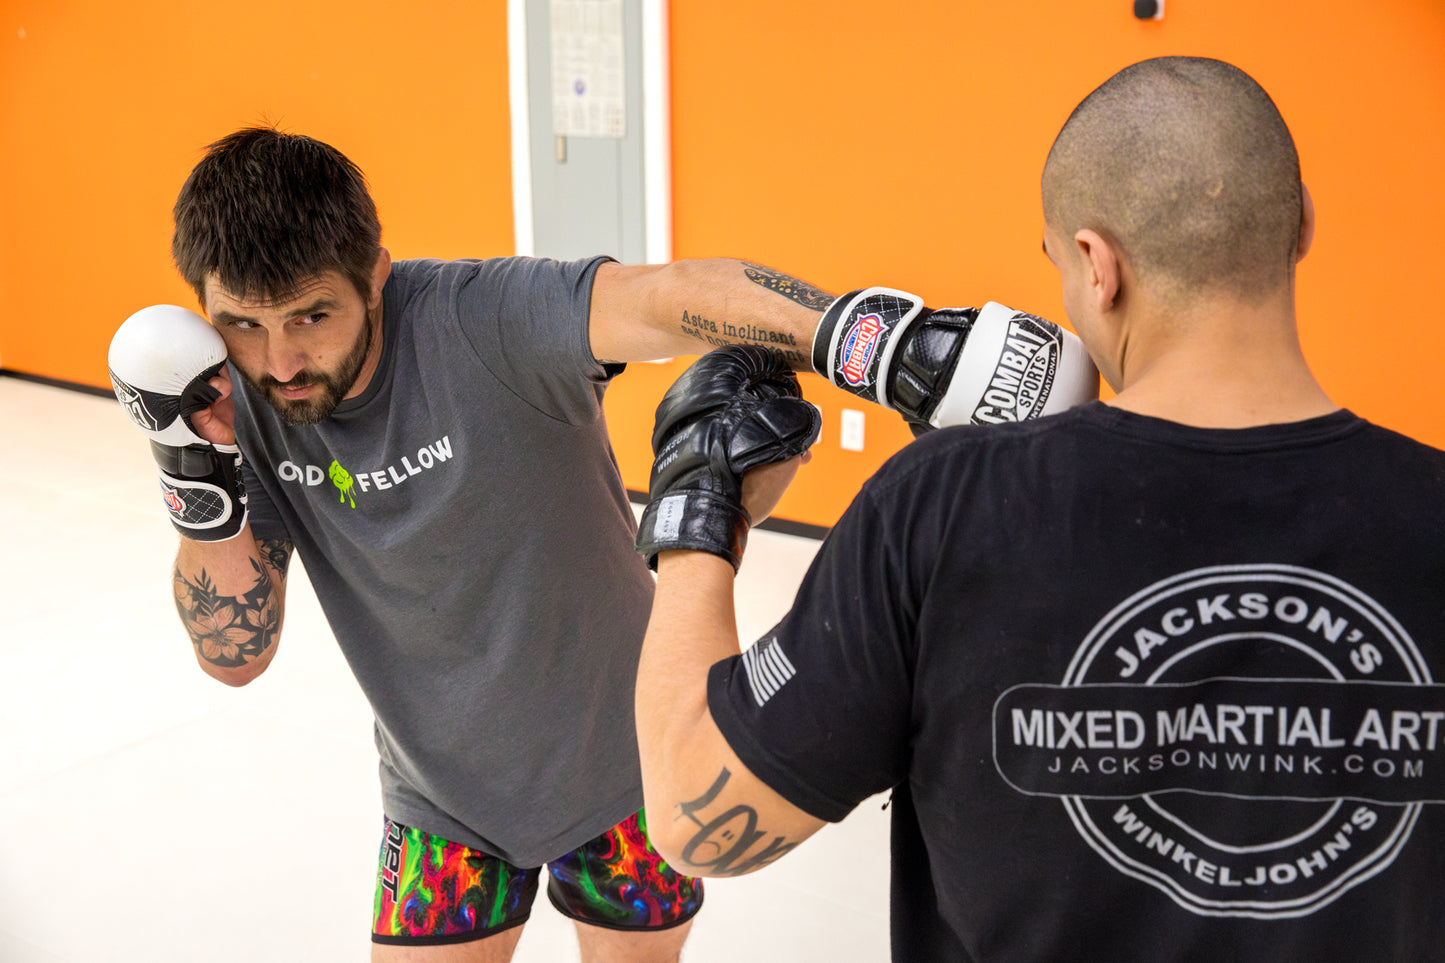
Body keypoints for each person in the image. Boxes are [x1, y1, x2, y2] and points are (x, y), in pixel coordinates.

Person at [104, 126, 1097, 961]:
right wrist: (189, 472)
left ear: (374, 274)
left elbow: (665, 295)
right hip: (440, 798)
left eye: (312, 316)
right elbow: (236, 657)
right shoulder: (239, 412)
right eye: (242, 325)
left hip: (627, 777)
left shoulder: (476, 319)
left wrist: (872, 345)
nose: (281, 361)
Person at [633, 56, 1445, 962]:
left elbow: (688, 815)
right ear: (1301, 226)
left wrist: (701, 503)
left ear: (1097, 268)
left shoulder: (941, 507)